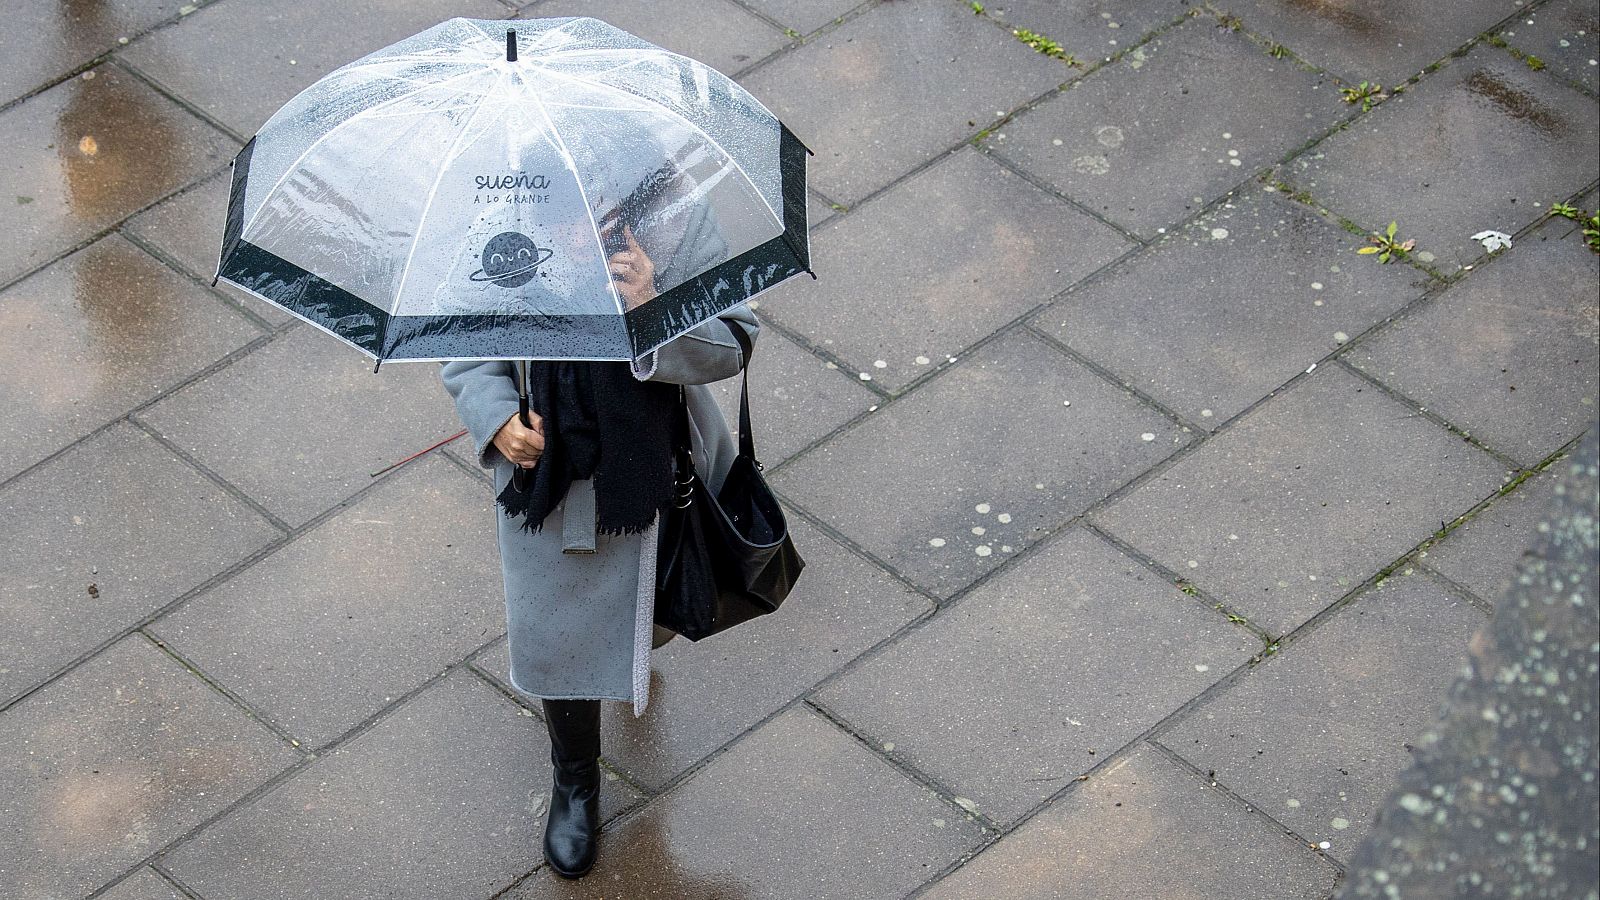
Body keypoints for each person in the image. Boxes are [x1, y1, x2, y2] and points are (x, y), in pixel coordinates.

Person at [439, 198, 757, 879]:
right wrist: (496, 419)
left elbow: (735, 339)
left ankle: (634, 648)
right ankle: (575, 777)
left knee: (654, 614)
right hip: (552, 484)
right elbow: (465, 340)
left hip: (656, 475)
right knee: (561, 634)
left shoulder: (677, 218)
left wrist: (652, 308)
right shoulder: (502, 213)